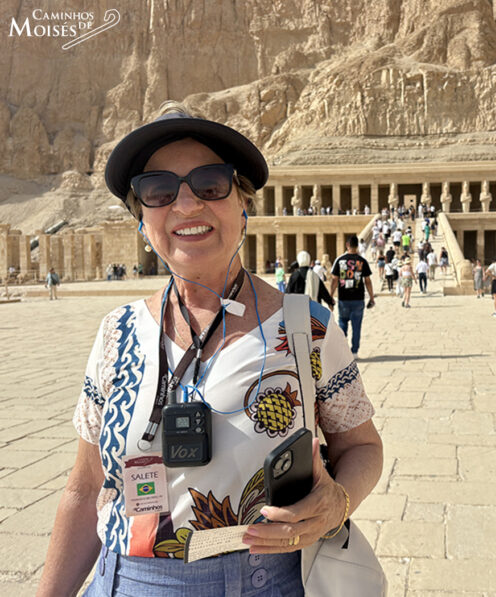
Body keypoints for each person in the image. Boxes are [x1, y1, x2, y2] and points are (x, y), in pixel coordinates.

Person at [37, 105, 383, 597]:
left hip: (268, 581)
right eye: (158, 190)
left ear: (243, 205)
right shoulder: (117, 333)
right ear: (142, 222)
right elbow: (85, 487)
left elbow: (362, 447)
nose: (186, 204)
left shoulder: (307, 328)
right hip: (131, 582)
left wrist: (338, 502)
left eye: (211, 184)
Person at [330, 236, 376, 358]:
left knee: (342, 323)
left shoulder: (340, 260)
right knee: (356, 327)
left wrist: (330, 296)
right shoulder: (362, 261)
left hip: (344, 299)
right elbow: (367, 281)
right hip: (358, 299)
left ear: (347, 245)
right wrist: (371, 297)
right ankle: (354, 352)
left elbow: (334, 280)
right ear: (357, 246)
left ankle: (342, 350)